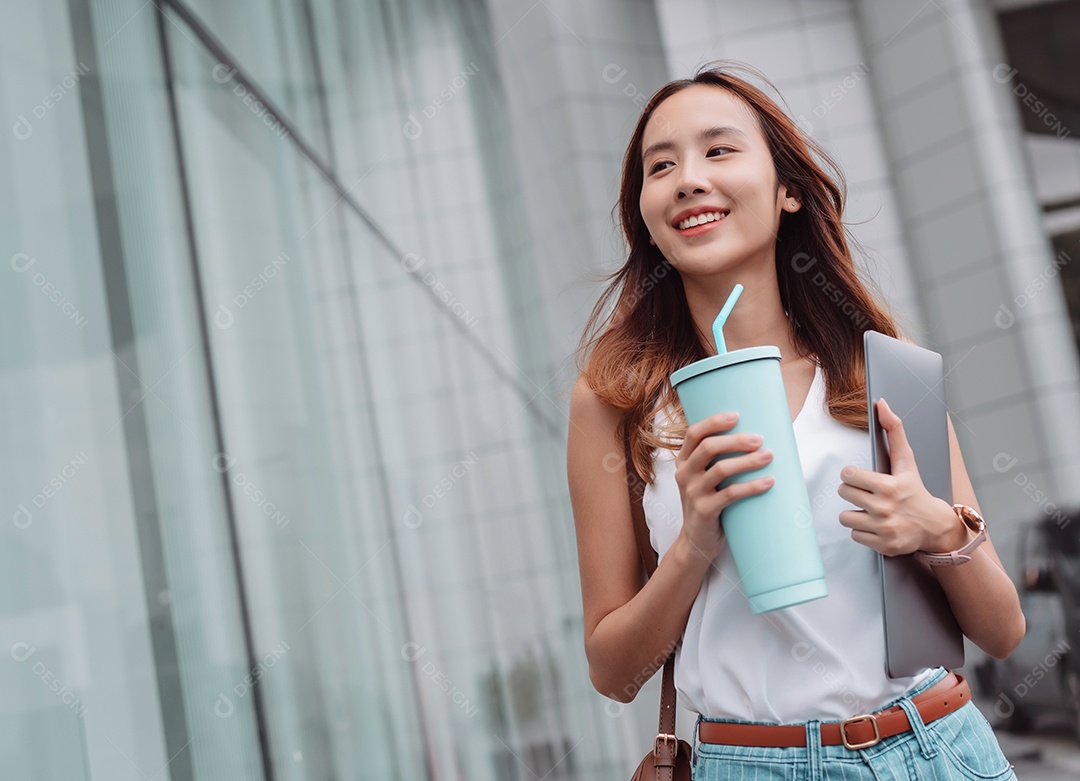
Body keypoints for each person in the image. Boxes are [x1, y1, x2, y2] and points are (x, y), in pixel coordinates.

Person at [566, 62, 1025, 779]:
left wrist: (937, 531)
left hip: (939, 745)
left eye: (719, 150)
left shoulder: (884, 372)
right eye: (662, 166)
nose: (688, 178)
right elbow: (613, 671)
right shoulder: (616, 402)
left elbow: (1003, 630)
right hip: (754, 763)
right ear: (648, 219)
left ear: (785, 192)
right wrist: (693, 544)